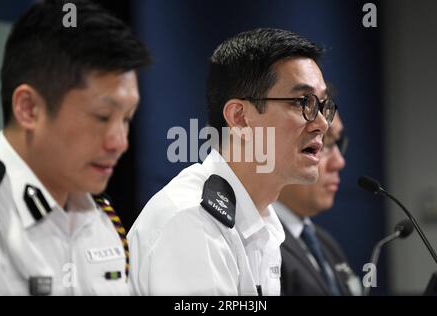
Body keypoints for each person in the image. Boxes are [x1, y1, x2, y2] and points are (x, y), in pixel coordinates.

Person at [128, 28, 335, 295]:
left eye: (323, 105)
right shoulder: (192, 222)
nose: (321, 124)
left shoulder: (263, 221)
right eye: (302, 102)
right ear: (240, 118)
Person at [0, 0, 150, 295]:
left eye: (127, 118)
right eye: (102, 117)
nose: (120, 142)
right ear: (29, 109)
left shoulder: (103, 219)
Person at [275, 114, 362, 296]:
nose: (339, 162)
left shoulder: (326, 243)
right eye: (322, 143)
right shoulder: (256, 243)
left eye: (337, 143)